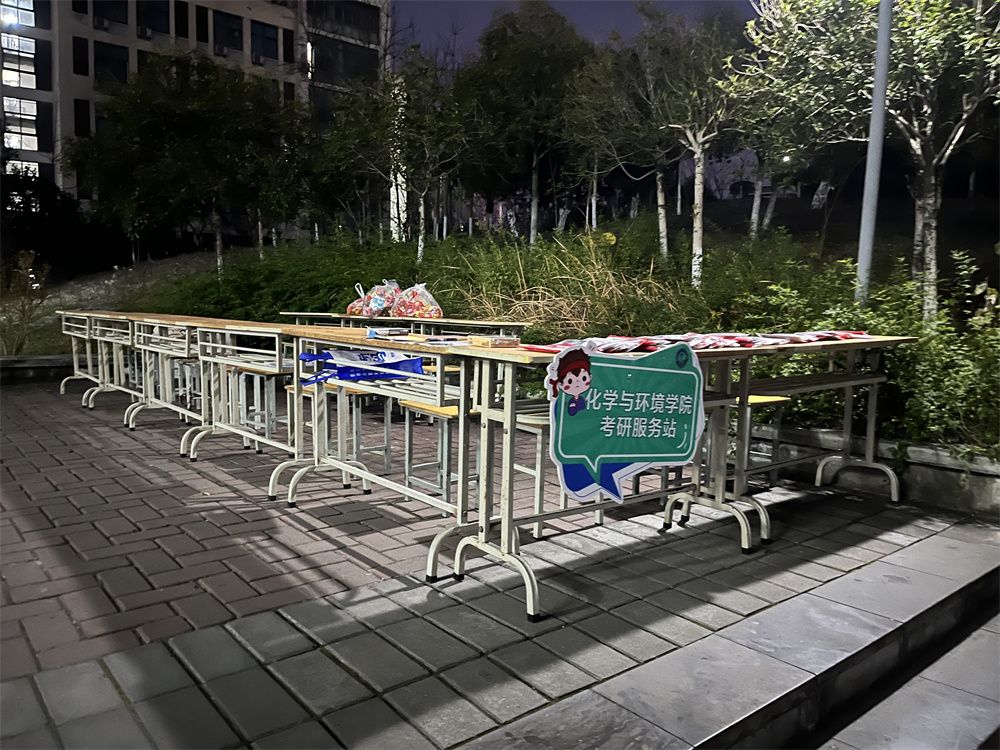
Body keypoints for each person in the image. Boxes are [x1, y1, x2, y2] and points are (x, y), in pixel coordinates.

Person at [549, 349, 591, 416]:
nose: (577, 382)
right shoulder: (561, 399)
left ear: (590, 377)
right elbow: (570, 413)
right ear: (560, 384)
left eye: (584, 378)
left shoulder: (581, 399)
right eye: (570, 381)